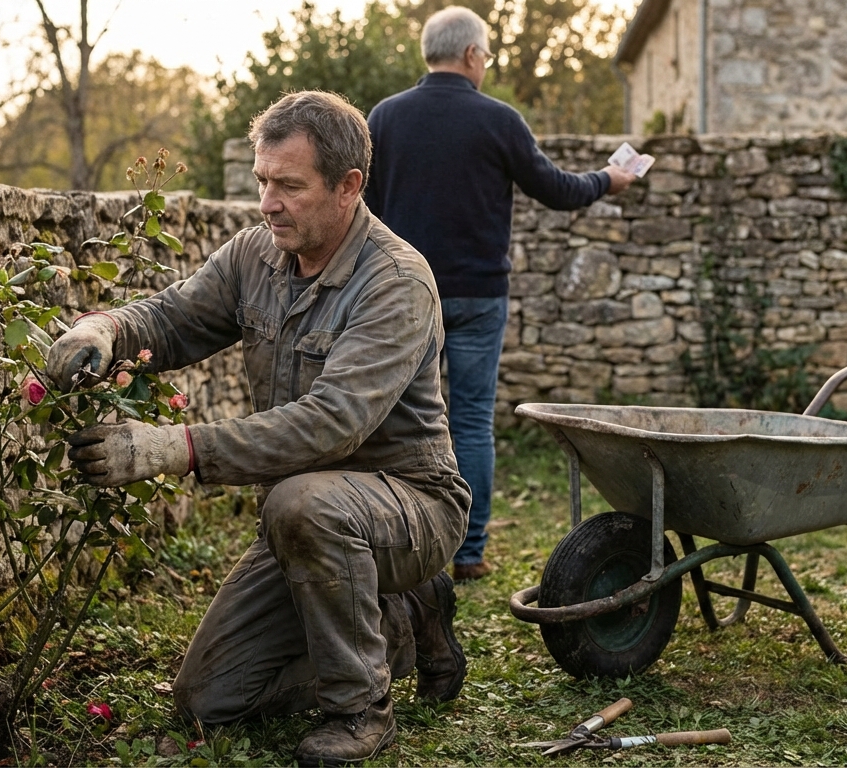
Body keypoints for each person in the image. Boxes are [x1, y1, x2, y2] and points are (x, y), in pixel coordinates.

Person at [45, 91, 471, 767]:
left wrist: (173, 447)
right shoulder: (256, 255)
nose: (268, 203)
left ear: (348, 187)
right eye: (263, 182)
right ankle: (403, 626)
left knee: (302, 502)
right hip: (303, 521)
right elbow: (173, 318)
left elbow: (333, 425)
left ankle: (361, 707)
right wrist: (106, 329)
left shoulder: (395, 281)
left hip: (408, 505)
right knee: (206, 700)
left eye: (290, 187)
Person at [364, 6, 637, 582]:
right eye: (485, 55)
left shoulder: (384, 118)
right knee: (469, 422)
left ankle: (399, 544)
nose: (485, 64)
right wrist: (608, 180)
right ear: (470, 55)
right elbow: (557, 190)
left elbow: (366, 209)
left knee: (397, 417)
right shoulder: (499, 120)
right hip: (480, 295)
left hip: (404, 294)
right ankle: (468, 552)